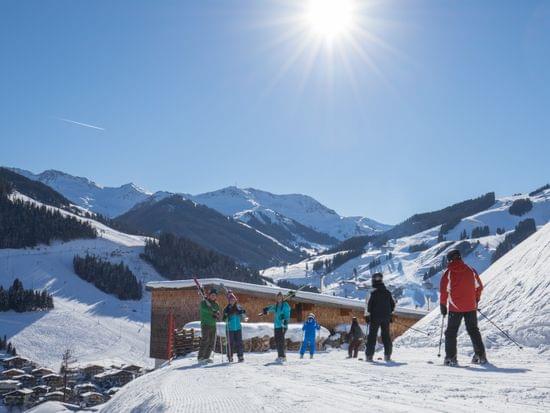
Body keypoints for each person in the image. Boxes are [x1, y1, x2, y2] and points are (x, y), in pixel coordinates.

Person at [440, 249, 487, 366]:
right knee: (473, 331)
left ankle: (451, 358)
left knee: (451, 333)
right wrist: (475, 299)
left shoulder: (448, 273)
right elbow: (479, 287)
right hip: (471, 307)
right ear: (460, 257)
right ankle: (480, 356)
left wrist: (443, 305)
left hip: (455, 308)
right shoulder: (471, 270)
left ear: (449, 259)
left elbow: (444, 291)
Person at [364, 272, 395, 362]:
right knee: (386, 336)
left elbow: (367, 305)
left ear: (373, 280)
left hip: (374, 317)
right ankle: (387, 356)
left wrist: (367, 315)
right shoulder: (388, 292)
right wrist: (391, 314)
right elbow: (393, 304)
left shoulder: (371, 292)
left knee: (372, 336)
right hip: (386, 317)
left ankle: (369, 356)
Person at [263, 292, 291, 362]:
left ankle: (283, 356)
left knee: (281, 341)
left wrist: (285, 319)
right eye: (278, 297)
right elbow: (271, 308)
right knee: (277, 341)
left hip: (282, 326)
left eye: (280, 297)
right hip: (276, 326)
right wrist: (266, 309)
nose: (279, 298)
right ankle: (280, 355)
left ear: (282, 298)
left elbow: (288, 313)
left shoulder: (285, 305)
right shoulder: (276, 305)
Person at [198, 288, 221, 364]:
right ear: (209, 295)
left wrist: (216, 315)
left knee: (211, 342)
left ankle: (206, 357)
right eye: (212, 295)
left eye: (215, 295)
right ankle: (200, 357)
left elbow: (217, 312)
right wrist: (212, 311)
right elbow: (204, 309)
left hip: (213, 325)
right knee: (205, 340)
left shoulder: (216, 304)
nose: (213, 296)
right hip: (205, 324)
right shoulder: (204, 303)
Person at [223, 292, 247, 362]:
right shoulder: (227, 308)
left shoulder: (239, 307)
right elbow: (224, 319)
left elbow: (243, 316)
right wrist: (226, 316)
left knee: (239, 342)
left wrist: (243, 313)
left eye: (233, 299)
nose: (232, 301)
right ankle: (230, 356)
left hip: (238, 328)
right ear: (229, 301)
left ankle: (240, 356)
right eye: (231, 300)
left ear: (235, 300)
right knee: (230, 343)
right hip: (230, 328)